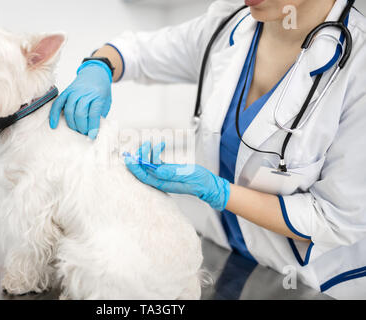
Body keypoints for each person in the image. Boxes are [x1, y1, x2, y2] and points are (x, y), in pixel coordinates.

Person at [49, 0, 366, 299]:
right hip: (224, 260)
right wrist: (99, 67)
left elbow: (336, 220)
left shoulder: (358, 66)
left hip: (310, 283)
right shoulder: (231, 23)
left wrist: (219, 192)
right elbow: (136, 53)